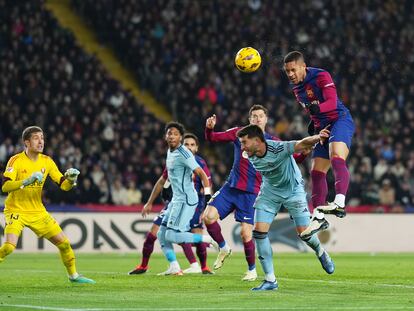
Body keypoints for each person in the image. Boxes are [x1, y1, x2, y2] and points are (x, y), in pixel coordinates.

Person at [204, 105, 307, 281]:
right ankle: (223, 247)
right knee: (208, 217)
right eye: (254, 116)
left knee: (246, 233)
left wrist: (304, 153)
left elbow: (293, 157)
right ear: (250, 119)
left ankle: (251, 270)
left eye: (260, 116)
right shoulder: (239, 134)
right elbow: (213, 138)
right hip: (231, 187)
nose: (257, 119)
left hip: (252, 193)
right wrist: (209, 128)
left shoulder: (273, 141)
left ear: (266, 119)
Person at [236, 124, 335, 291]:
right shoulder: (248, 154)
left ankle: (320, 252)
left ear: (257, 140)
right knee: (259, 233)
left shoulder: (278, 148)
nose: (242, 146)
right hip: (269, 192)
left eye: (244, 142)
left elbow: (302, 143)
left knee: (304, 234)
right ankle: (270, 280)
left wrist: (319, 137)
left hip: (293, 191)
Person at [0, 126, 95, 284]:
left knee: (64, 244)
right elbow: (5, 187)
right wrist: (27, 181)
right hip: (16, 210)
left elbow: (63, 185)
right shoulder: (16, 160)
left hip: (38, 212)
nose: (41, 141)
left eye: (42, 138)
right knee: (9, 247)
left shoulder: (47, 161)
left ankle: (74, 276)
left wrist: (71, 180)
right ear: (27, 142)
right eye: (36, 138)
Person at [283, 51, 355, 238]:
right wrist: (314, 124)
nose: (290, 74)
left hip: (340, 120)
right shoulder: (296, 89)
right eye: (287, 71)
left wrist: (317, 109)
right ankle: (318, 216)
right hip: (322, 127)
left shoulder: (321, 75)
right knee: (316, 172)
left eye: (293, 70)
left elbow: (331, 102)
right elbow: (312, 111)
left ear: (302, 66)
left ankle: (339, 202)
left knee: (336, 155)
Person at [128, 133, 214, 275]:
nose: (189, 147)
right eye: (186, 144)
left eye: (192, 145)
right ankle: (144, 265)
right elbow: (163, 180)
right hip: (175, 202)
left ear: (197, 148)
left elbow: (207, 183)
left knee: (185, 235)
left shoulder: (200, 163)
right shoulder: (175, 158)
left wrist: (205, 207)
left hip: (193, 203)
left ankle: (203, 267)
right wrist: (150, 202)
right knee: (155, 232)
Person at [155, 122, 217, 275]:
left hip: (186, 199)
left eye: (175, 134)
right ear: (165, 136)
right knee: (161, 234)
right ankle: (174, 267)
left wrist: (208, 193)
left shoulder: (184, 154)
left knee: (171, 235)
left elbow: (202, 173)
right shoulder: (170, 152)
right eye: (169, 133)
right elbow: (171, 172)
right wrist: (166, 187)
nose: (171, 136)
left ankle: (207, 240)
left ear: (180, 137)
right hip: (176, 198)